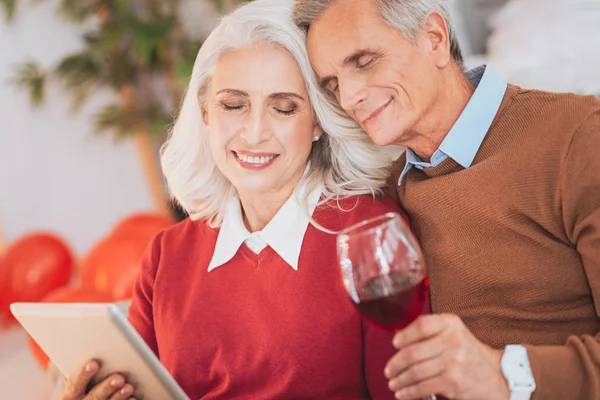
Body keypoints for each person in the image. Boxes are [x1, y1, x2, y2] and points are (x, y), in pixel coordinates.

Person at [57, 1, 408, 399]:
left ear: (317, 124)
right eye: (234, 105)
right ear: (206, 111)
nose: (254, 132)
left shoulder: (369, 234)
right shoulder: (166, 255)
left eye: (283, 108)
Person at [293, 0, 600, 399]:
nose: (349, 96)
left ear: (434, 39)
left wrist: (504, 375)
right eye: (333, 84)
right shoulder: (381, 198)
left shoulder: (577, 138)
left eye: (364, 61)